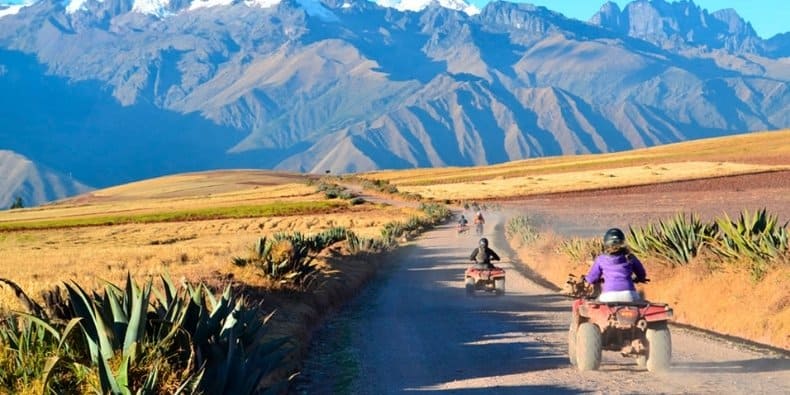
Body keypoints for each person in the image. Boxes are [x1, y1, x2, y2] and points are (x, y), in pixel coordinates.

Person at [585, 228, 647, 303]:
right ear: (623, 242)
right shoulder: (630, 257)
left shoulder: (601, 259)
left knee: (596, 303)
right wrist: (640, 278)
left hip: (608, 296)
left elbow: (591, 279)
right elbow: (642, 274)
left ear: (606, 243)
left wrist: (589, 279)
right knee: (642, 302)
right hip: (629, 295)